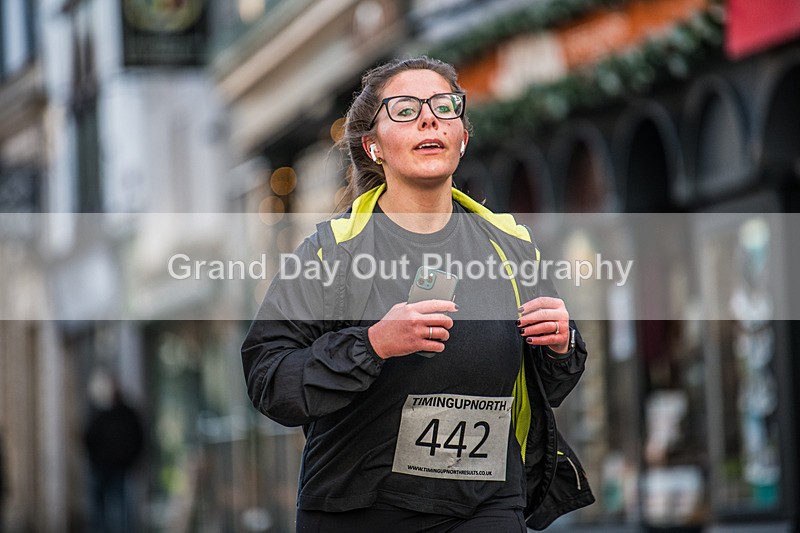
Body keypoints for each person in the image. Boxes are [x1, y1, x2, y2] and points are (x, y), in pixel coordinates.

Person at [242, 56, 594, 532]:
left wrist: (561, 345)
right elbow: (269, 380)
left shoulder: (511, 247)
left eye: (445, 107)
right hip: (359, 513)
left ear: (463, 137)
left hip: (486, 506)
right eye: (405, 109)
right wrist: (372, 346)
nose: (430, 117)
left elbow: (546, 388)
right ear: (373, 147)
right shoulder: (331, 253)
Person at [83, 370, 145, 533]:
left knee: (109, 504)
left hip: (109, 466)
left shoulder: (105, 413)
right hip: (113, 465)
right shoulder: (125, 413)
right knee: (117, 503)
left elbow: (89, 437)